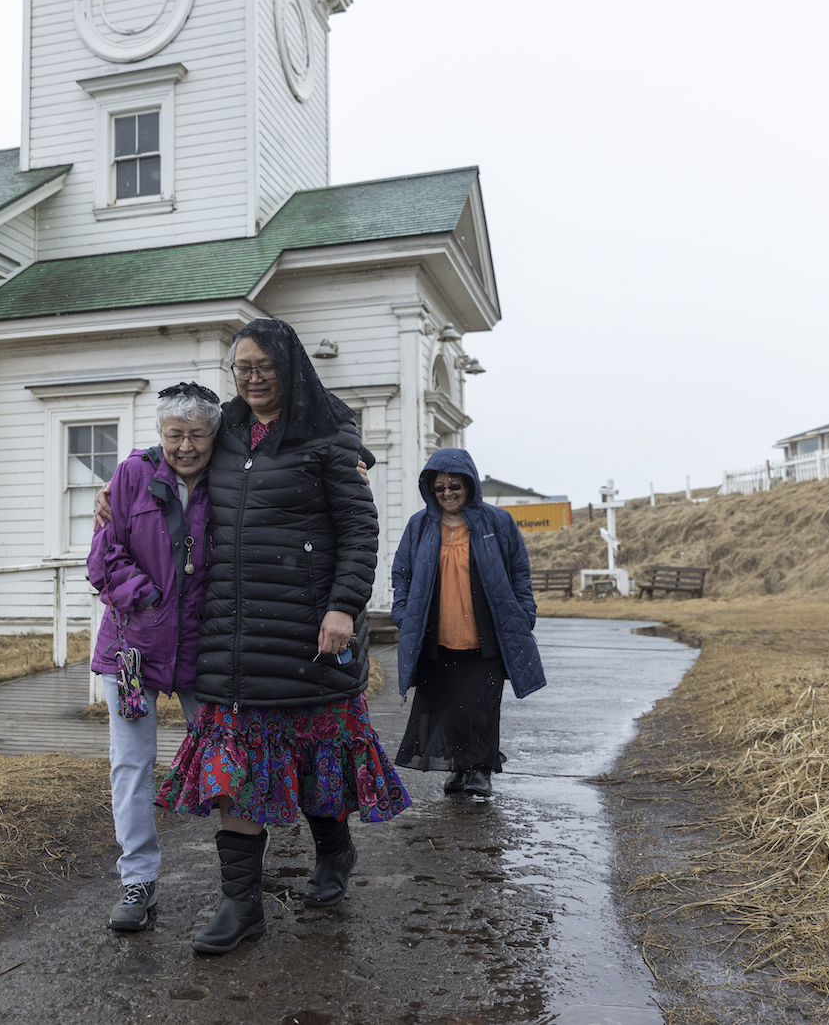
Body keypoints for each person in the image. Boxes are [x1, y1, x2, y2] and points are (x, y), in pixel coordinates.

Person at [154, 316, 410, 955]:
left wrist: (344, 609)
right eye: (242, 368)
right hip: (233, 635)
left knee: (319, 763)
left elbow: (359, 533)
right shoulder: (227, 428)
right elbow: (173, 450)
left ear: (290, 366)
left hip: (309, 631)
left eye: (264, 366)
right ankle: (241, 905)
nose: (254, 378)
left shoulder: (328, 437)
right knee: (236, 770)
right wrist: (123, 483)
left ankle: (336, 852)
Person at [86, 382, 220, 932]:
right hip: (132, 648)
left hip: (203, 647)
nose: (185, 447)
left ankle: (241, 877)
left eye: (196, 435)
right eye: (174, 435)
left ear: (215, 434)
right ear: (159, 434)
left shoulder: (231, 481)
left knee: (225, 754)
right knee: (132, 763)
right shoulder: (132, 475)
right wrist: (144, 598)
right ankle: (137, 880)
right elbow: (103, 556)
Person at [391, 448, 546, 797]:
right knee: (448, 707)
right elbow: (401, 572)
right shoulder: (420, 525)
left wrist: (525, 611)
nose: (447, 493)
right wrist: (403, 613)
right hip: (436, 635)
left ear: (470, 486)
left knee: (481, 708)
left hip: (486, 635)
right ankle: (458, 768)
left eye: (455, 485)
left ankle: (480, 770)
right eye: (440, 487)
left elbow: (519, 570)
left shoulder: (497, 522)